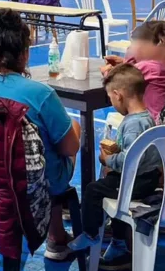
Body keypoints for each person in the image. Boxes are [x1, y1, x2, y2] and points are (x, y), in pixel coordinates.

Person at [0, 9, 81, 260]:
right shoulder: (41, 94)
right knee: (69, 132)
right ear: (25, 53)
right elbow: (70, 148)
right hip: (31, 181)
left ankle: (54, 232)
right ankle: (56, 236)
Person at [68, 63, 160, 253]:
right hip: (147, 178)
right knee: (112, 186)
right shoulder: (146, 118)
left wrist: (108, 159)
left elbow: (132, 160)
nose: (111, 103)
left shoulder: (134, 124)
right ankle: (119, 240)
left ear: (118, 95)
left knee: (93, 190)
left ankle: (90, 233)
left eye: (110, 98)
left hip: (138, 181)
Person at [101, 21, 165, 119]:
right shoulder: (163, 65)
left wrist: (107, 72)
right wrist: (123, 63)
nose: (130, 47)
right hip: (162, 119)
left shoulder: (148, 67)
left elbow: (118, 82)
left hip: (151, 121)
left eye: (134, 44)